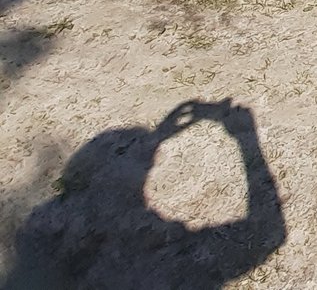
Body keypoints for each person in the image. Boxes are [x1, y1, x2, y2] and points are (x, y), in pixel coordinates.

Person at [2, 99, 286, 290]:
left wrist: (158, 137)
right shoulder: (155, 258)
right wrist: (246, 137)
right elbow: (269, 230)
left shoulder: (41, 229)